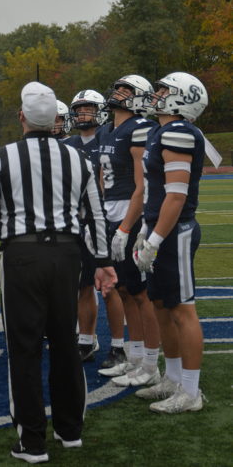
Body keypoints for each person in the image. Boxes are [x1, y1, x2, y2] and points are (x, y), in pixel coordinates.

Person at [0, 82, 117, 464]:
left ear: (21, 117)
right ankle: (70, 430)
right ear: (55, 121)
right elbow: (95, 213)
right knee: (65, 342)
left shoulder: (3, 157)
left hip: (21, 256)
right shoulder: (78, 159)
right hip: (66, 255)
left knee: (25, 348)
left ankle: (32, 442)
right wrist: (102, 260)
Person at [134, 72, 208, 412]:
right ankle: (173, 378)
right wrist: (145, 230)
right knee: (161, 305)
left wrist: (155, 239)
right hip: (159, 228)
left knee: (182, 309)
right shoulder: (160, 131)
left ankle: (190, 392)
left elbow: (176, 196)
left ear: (183, 98)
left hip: (175, 231)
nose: (157, 94)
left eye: (164, 90)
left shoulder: (179, 132)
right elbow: (155, 191)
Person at [97, 75, 161, 387]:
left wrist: (126, 227)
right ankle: (134, 358)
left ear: (141, 99)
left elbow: (142, 185)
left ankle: (150, 362)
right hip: (111, 212)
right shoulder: (106, 128)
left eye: (127, 90)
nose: (119, 93)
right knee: (123, 289)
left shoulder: (140, 128)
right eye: (118, 88)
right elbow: (102, 177)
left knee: (141, 292)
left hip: (131, 214)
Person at [64, 89, 108, 362]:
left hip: (98, 222)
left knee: (89, 285)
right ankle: (75, 335)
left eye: (88, 108)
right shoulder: (67, 144)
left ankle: (88, 339)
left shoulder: (108, 140)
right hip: (72, 222)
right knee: (72, 284)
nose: (82, 114)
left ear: (100, 111)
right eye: (79, 109)